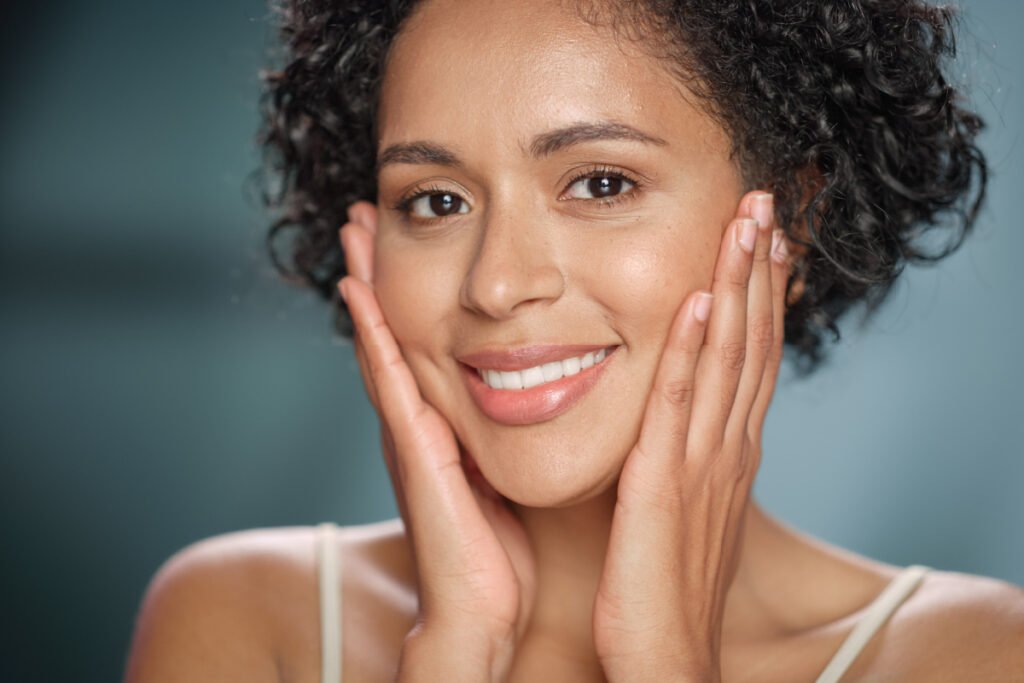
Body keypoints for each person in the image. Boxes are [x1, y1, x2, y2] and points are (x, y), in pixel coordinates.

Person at [124, 1, 1024, 681]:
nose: (497, 283)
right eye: (436, 200)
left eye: (599, 183)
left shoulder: (968, 655)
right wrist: (454, 650)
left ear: (792, 218)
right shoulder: (246, 620)